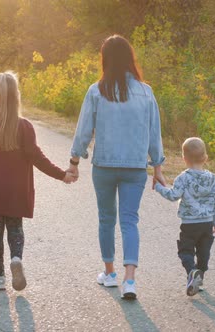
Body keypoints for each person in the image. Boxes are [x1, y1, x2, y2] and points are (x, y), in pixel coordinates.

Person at [67, 35, 166, 299]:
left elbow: (83, 130)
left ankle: (110, 274)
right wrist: (157, 168)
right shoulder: (146, 92)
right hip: (135, 167)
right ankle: (130, 280)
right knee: (130, 221)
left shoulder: (96, 90)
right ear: (129, 58)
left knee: (106, 219)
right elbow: (154, 133)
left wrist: (74, 162)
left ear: (105, 59)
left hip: (105, 166)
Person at [0, 71, 76, 291]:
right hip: (17, 190)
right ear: (16, 96)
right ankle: (16, 259)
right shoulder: (24, 126)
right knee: (15, 228)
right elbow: (38, 158)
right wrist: (62, 175)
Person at [154, 137, 215, 296]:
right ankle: (199, 277)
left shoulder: (183, 177)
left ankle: (192, 272)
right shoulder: (212, 178)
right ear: (205, 157)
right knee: (203, 253)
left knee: (185, 251)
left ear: (184, 158)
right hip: (207, 223)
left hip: (190, 224)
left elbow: (173, 195)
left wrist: (158, 187)